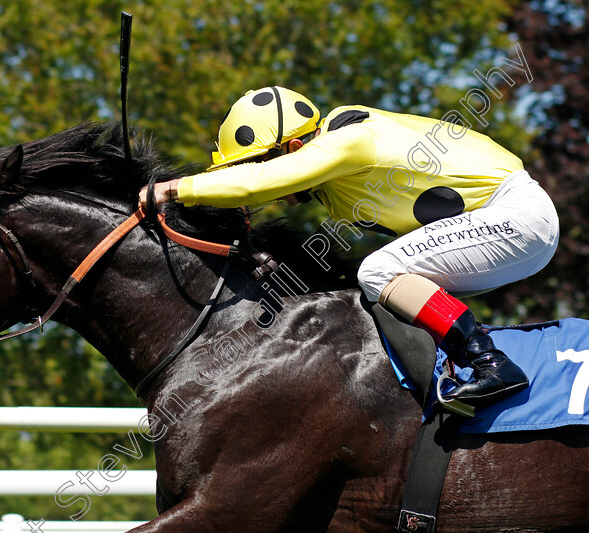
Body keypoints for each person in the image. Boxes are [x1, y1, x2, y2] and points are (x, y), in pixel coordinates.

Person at [139, 86, 559, 409]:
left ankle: (491, 364)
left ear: (293, 148)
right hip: (513, 224)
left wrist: (174, 189)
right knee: (378, 286)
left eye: (264, 163)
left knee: (378, 271)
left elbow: (262, 181)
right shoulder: (338, 175)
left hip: (516, 216)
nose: (277, 188)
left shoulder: (349, 141)